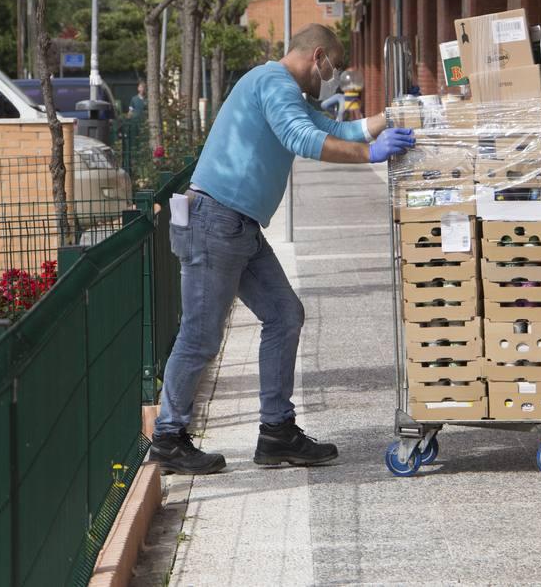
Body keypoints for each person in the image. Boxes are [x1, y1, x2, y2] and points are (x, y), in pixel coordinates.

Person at [150, 24, 415, 475]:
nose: (332, 78)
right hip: (216, 221)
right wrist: (372, 155)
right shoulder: (273, 83)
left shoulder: (283, 89)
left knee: (284, 314)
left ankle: (277, 433)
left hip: (238, 226)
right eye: (334, 68)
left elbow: (329, 127)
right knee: (200, 334)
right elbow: (303, 140)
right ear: (318, 56)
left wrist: (386, 120)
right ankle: (169, 437)